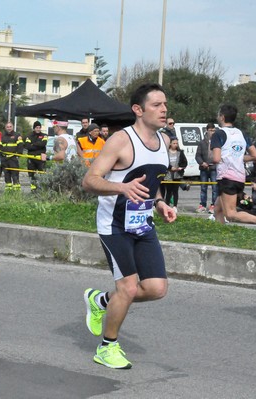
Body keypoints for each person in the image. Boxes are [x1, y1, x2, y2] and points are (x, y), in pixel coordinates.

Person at [81, 82, 176, 369]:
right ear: (138, 109)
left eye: (165, 105)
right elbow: (90, 180)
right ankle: (107, 347)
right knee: (129, 288)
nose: (163, 109)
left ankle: (100, 301)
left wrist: (160, 204)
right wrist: (121, 189)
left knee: (157, 288)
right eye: (156, 105)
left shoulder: (163, 143)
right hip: (115, 225)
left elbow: (151, 186)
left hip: (143, 224)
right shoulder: (122, 140)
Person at [211, 104, 256, 228]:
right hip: (239, 177)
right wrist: (238, 158)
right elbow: (255, 156)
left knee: (230, 214)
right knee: (218, 209)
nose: (217, 117)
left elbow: (216, 158)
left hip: (226, 177)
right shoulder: (242, 133)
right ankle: (222, 236)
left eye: (218, 115)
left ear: (222, 117)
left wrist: (209, 159)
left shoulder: (218, 134)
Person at [195, 122, 218, 213]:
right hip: (204, 169)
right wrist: (202, 163)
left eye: (213, 130)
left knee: (215, 188)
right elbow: (197, 155)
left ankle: (213, 205)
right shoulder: (202, 142)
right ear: (206, 130)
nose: (212, 132)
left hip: (214, 168)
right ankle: (203, 205)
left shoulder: (217, 142)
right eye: (210, 130)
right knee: (203, 187)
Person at [161, 137, 187, 212]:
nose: (175, 145)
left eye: (176, 143)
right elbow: (164, 162)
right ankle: (167, 204)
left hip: (177, 174)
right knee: (168, 191)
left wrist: (180, 167)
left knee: (175, 190)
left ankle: (175, 206)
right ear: (170, 144)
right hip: (168, 174)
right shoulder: (166, 152)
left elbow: (184, 162)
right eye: (174, 143)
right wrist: (170, 167)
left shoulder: (180, 152)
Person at [0, 121, 23, 190]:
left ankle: (16, 190)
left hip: (13, 158)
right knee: (6, 174)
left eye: (10, 127)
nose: (9, 128)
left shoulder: (17, 135)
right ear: (5, 128)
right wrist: (1, 157)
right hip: (5, 159)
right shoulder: (3, 136)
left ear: (12, 127)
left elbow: (20, 146)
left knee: (15, 174)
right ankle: (8, 189)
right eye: (7, 127)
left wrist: (18, 155)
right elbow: (0, 147)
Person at [25, 121, 47, 191]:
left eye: (39, 127)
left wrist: (33, 144)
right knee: (31, 174)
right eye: (37, 127)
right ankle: (33, 188)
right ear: (34, 128)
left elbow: (43, 144)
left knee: (42, 173)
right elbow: (27, 146)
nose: (38, 129)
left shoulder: (44, 135)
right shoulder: (29, 136)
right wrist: (37, 145)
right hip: (31, 158)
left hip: (40, 158)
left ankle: (41, 188)